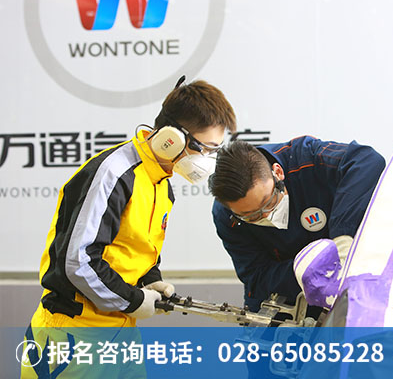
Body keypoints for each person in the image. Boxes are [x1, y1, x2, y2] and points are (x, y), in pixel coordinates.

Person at [21, 76, 236, 378]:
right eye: (204, 148)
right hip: (74, 334)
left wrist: (151, 279)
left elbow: (134, 249)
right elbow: (78, 262)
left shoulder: (161, 185)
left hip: (121, 331)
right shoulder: (114, 174)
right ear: (171, 138)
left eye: (215, 150)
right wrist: (133, 299)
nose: (208, 159)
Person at [208, 136, 385, 312]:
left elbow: (367, 161)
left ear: (278, 173)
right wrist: (310, 270)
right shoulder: (226, 215)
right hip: (284, 297)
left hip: (350, 275)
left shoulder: (305, 159)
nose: (267, 216)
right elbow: (257, 276)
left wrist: (343, 238)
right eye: (251, 216)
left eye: (268, 202)